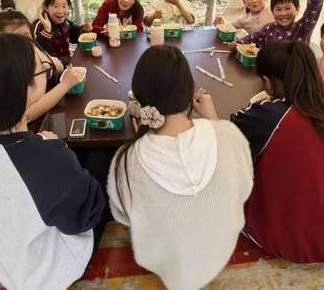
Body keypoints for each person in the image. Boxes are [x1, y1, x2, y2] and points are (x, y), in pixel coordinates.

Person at [0, 33, 106, 289]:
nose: (47, 72)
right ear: (25, 86)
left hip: (9, 264)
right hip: (51, 272)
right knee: (102, 160)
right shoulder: (44, 159)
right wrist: (60, 150)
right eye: (43, 68)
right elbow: (84, 218)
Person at [107, 45, 253, 289]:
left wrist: (142, 141)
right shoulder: (228, 134)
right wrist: (214, 120)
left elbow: (124, 216)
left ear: (139, 98)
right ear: (190, 92)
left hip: (164, 265)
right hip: (221, 251)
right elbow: (244, 187)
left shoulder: (126, 159)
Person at [230, 41, 324, 263]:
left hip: (287, 241)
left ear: (268, 82)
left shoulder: (271, 116)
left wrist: (209, 113)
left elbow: (227, 137)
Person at [0, 0, 80, 126]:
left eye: (26, 36)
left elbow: (56, 66)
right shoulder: (4, 69)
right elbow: (28, 115)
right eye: (14, 38)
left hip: (51, 109)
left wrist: (62, 67)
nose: (23, 42)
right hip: (29, 127)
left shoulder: (33, 49)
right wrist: (66, 84)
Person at [234, 0, 323, 47]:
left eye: (287, 8)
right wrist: (237, 43)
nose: (283, 13)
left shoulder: (303, 27)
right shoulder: (269, 28)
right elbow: (251, 38)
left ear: (297, 9)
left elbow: (312, 11)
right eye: (278, 9)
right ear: (272, 12)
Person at [33, 0, 88, 66]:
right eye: (55, 6)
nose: (60, 11)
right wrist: (47, 31)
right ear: (46, 8)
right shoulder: (39, 25)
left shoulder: (66, 22)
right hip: (51, 68)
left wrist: (83, 29)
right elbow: (37, 52)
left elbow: (74, 36)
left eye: (64, 6)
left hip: (67, 63)